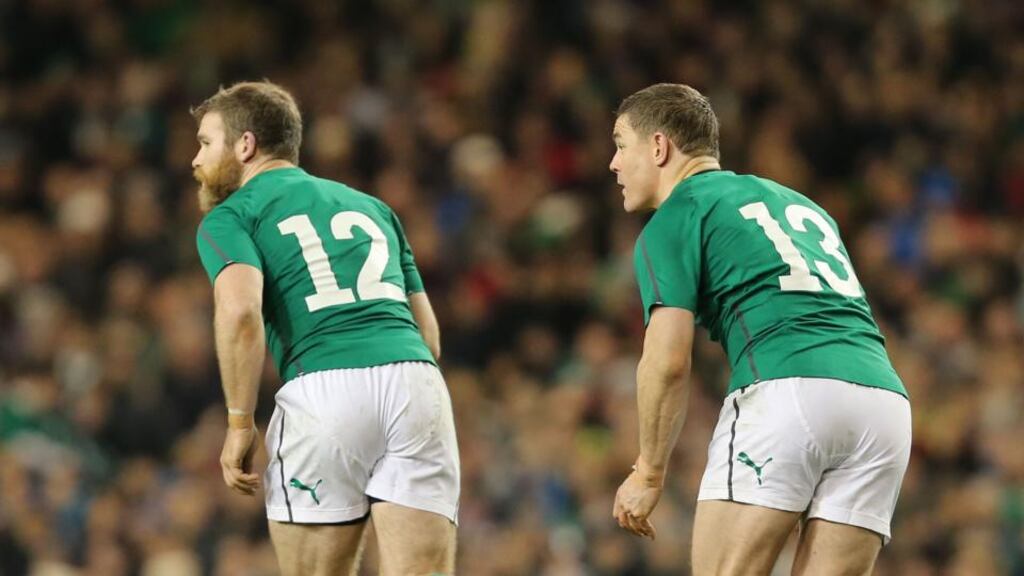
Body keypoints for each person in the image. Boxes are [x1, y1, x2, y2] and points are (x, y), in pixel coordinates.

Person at [609, 83, 911, 575]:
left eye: (621, 144)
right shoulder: (805, 206)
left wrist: (648, 472)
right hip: (883, 404)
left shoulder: (678, 215)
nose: (614, 164)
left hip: (787, 391)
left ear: (659, 146)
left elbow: (667, 360)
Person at [191, 81, 459, 576]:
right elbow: (430, 335)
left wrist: (238, 423)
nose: (195, 159)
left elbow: (241, 313)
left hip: (324, 388)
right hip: (416, 383)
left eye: (206, 142)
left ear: (245, 145)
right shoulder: (374, 208)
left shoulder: (232, 216)